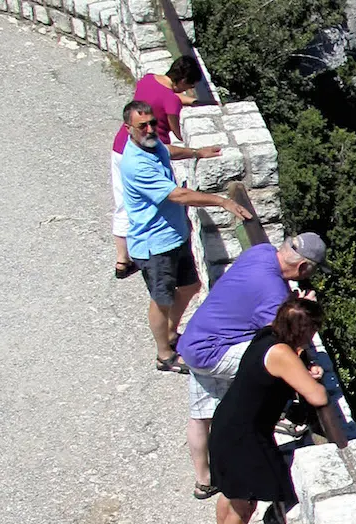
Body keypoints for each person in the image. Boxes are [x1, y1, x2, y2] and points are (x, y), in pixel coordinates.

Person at [178, 234, 327, 500]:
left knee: (200, 415)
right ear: (303, 268)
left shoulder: (260, 252)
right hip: (216, 352)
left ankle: (204, 480)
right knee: (272, 368)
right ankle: (282, 417)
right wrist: (304, 312)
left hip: (195, 342)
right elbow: (286, 338)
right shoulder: (273, 294)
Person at [118, 100, 250, 374]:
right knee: (161, 299)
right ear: (128, 128)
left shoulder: (152, 147)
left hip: (174, 236)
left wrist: (196, 152)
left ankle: (169, 332)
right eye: (143, 125)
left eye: (153, 122)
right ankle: (164, 355)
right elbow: (177, 195)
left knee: (190, 286)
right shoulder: (135, 164)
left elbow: (168, 150)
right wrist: (222, 202)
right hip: (154, 244)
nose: (151, 128)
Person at [207, 296, 328, 524]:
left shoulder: (267, 334)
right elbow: (318, 397)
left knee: (229, 492)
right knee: (242, 503)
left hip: (228, 424)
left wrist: (302, 365)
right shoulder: (282, 354)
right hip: (246, 436)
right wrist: (316, 376)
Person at [109, 56, 210, 279]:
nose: (189, 90)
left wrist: (184, 100)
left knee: (123, 204)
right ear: (182, 80)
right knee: (159, 204)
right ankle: (150, 255)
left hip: (121, 148)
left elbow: (159, 98)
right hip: (151, 153)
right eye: (189, 85)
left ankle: (121, 260)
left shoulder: (147, 81)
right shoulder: (172, 101)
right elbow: (177, 131)